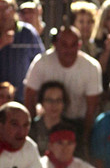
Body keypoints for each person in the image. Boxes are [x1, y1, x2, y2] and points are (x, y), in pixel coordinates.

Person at [23, 25, 102, 154]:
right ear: (55, 44)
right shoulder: (41, 62)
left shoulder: (91, 67)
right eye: (64, 44)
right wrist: (33, 128)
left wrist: (84, 139)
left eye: (73, 45)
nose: (69, 50)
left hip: (78, 124)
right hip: (46, 122)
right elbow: (29, 95)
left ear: (79, 45)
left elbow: (91, 108)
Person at [0, 0, 44, 101]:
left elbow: (41, 62)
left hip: (23, 98)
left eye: (5, 8)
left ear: (14, 10)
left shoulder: (27, 32)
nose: (2, 13)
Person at [29, 80, 72, 156]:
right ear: (42, 102)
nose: (54, 105)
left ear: (64, 103)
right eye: (49, 100)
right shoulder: (31, 128)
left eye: (58, 100)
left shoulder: (72, 128)